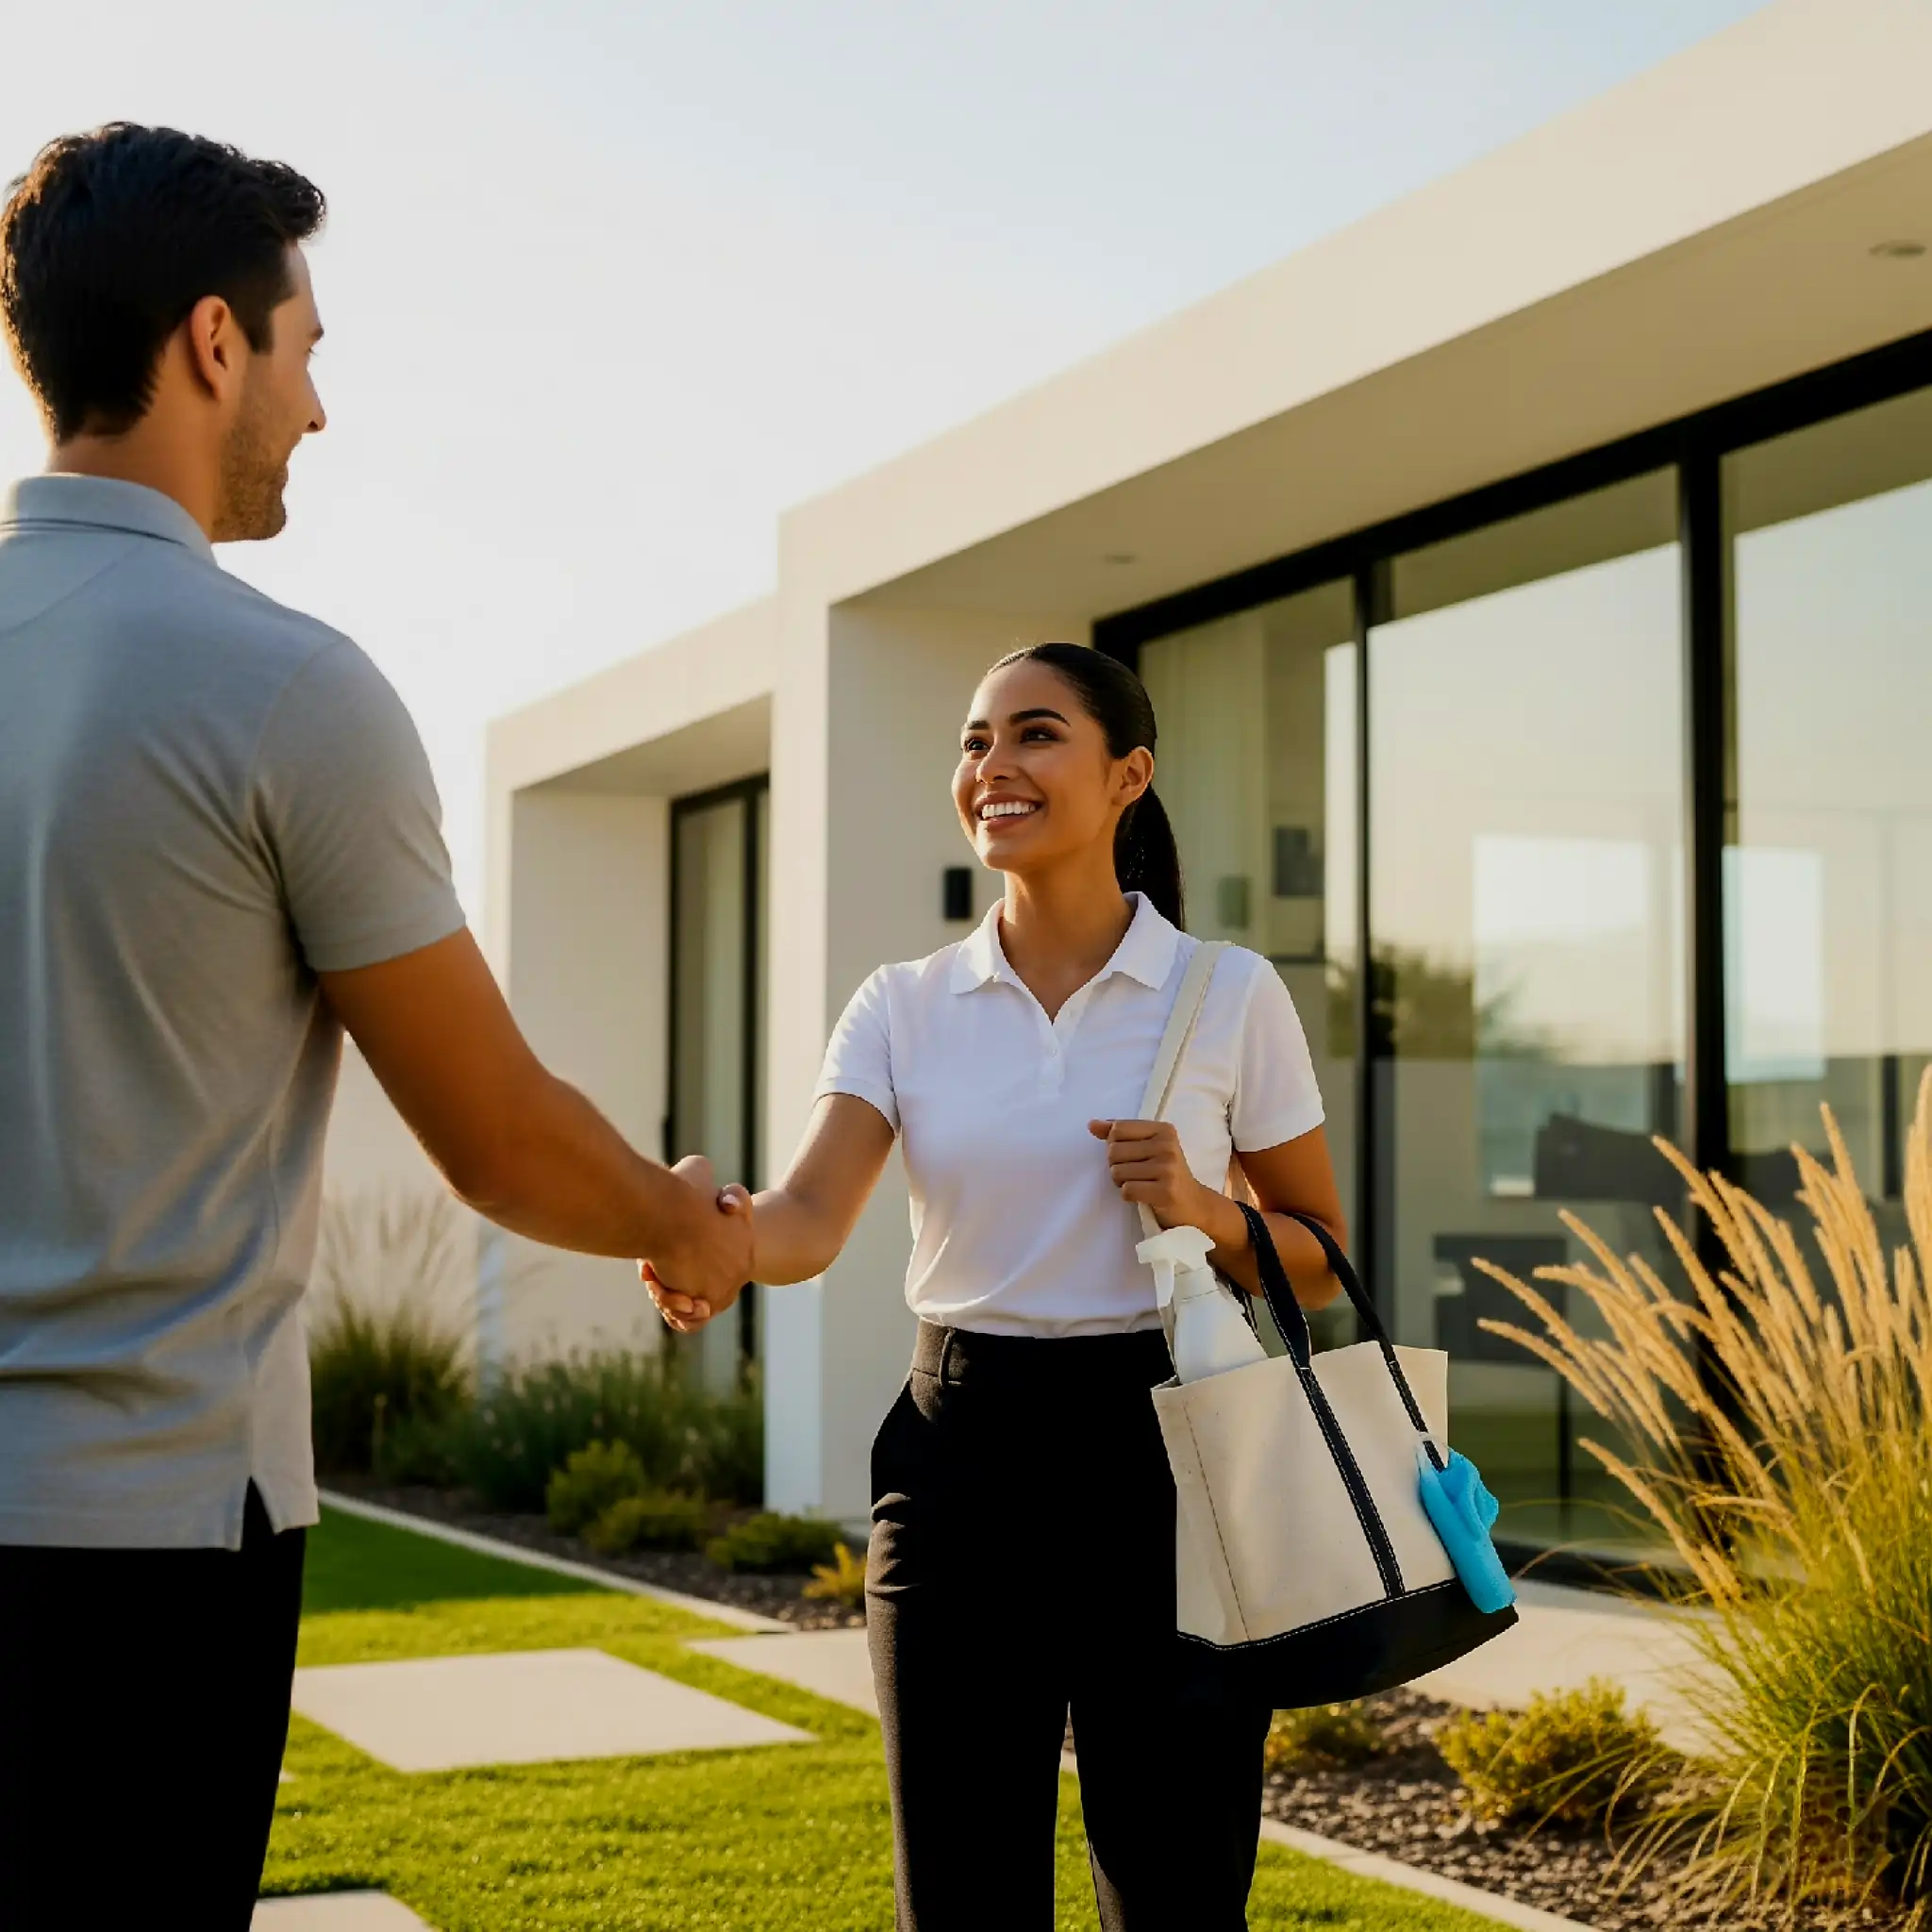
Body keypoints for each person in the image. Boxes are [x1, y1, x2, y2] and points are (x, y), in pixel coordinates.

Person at [0, 125, 748, 1930]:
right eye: (308, 347)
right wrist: (676, 1219)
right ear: (210, 344)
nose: (318, 408)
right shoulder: (281, 687)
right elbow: (491, 1139)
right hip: (141, 1555)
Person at [646, 642, 1348, 1929]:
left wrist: (1203, 1208)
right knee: (963, 1899)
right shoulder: (905, 1006)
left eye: (1035, 735)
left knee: (1179, 1892)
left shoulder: (1226, 992)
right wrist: (717, 1242)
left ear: (1128, 774)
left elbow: (1316, 1244)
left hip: (1172, 1464)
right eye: (975, 742)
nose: (993, 767)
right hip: (958, 1462)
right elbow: (808, 1219)